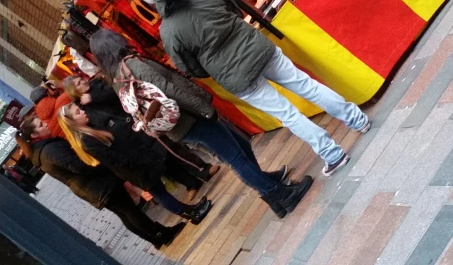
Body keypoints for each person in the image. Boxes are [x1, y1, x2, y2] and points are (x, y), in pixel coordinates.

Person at [129, 0, 371, 177]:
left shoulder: (169, 31)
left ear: (149, 1)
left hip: (235, 75)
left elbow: (189, 68)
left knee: (287, 114)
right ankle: (358, 120)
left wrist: (214, 65)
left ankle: (333, 154)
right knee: (306, 85)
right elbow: (234, 10)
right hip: (257, 47)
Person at [89, 29, 310, 218]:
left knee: (240, 146)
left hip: (175, 125)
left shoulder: (117, 79)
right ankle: (278, 194)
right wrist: (203, 107)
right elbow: (170, 89)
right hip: (189, 117)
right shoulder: (133, 65)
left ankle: (268, 185)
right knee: (234, 156)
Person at [16, 111, 184, 249]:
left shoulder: (41, 152)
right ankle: (162, 234)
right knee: (130, 212)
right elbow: (78, 165)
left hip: (93, 187)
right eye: (40, 125)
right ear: (35, 135)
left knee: (126, 213)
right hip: (98, 184)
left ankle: (155, 238)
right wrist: (100, 164)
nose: (45, 124)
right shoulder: (49, 150)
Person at [56, 103, 212, 225]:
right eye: (78, 113)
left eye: (79, 110)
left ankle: (191, 210)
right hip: (133, 169)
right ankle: (191, 214)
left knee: (160, 189)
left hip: (136, 162)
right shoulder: (87, 141)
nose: (82, 112)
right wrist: (136, 162)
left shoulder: (91, 131)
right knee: (159, 192)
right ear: (73, 123)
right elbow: (113, 159)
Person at [63, 74, 219, 190]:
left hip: (136, 123)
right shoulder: (81, 109)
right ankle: (191, 183)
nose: (83, 82)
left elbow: (116, 95)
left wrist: (94, 97)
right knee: (160, 161)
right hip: (125, 138)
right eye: (78, 83)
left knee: (171, 149)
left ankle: (203, 169)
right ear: (74, 91)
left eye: (81, 79)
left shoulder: (98, 86)